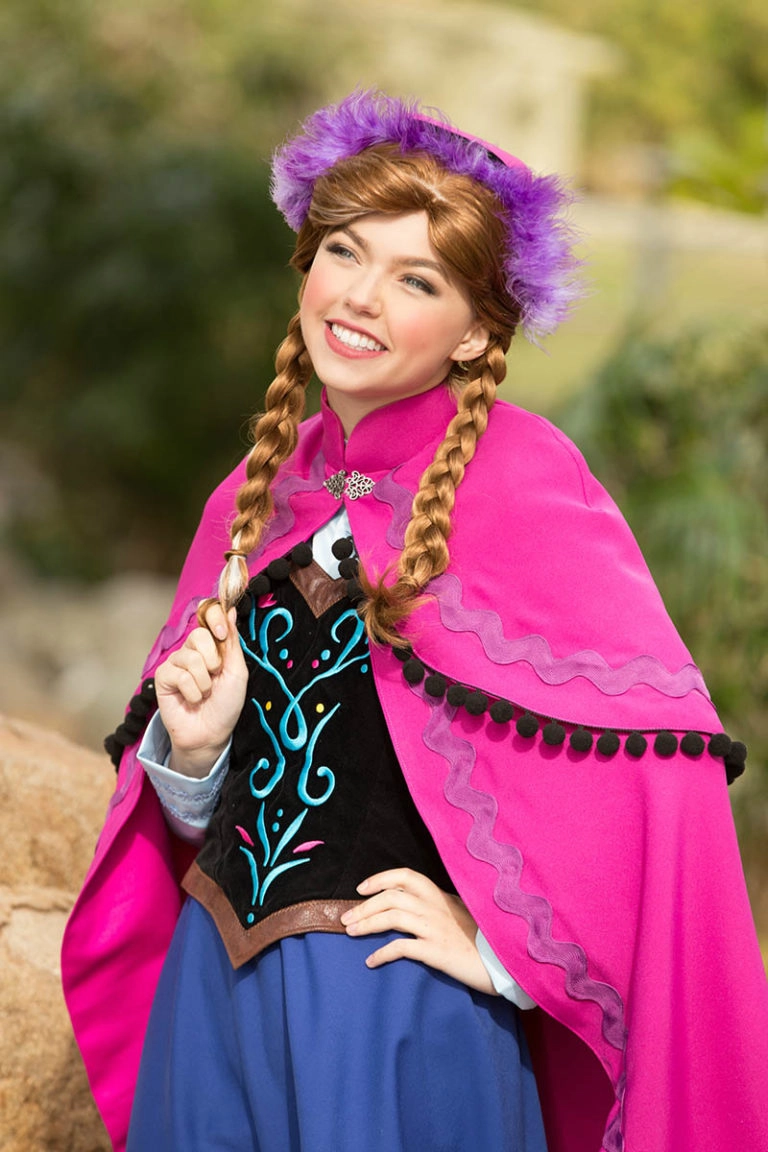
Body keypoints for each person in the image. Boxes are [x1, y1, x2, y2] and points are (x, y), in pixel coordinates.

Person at [62, 90, 768, 1152]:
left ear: (477, 329)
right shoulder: (256, 495)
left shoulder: (530, 488)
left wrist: (502, 954)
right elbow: (231, 803)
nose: (361, 297)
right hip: (211, 1009)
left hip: (395, 1022)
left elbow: (659, 779)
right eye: (345, 252)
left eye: (417, 279)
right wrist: (196, 760)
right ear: (306, 263)